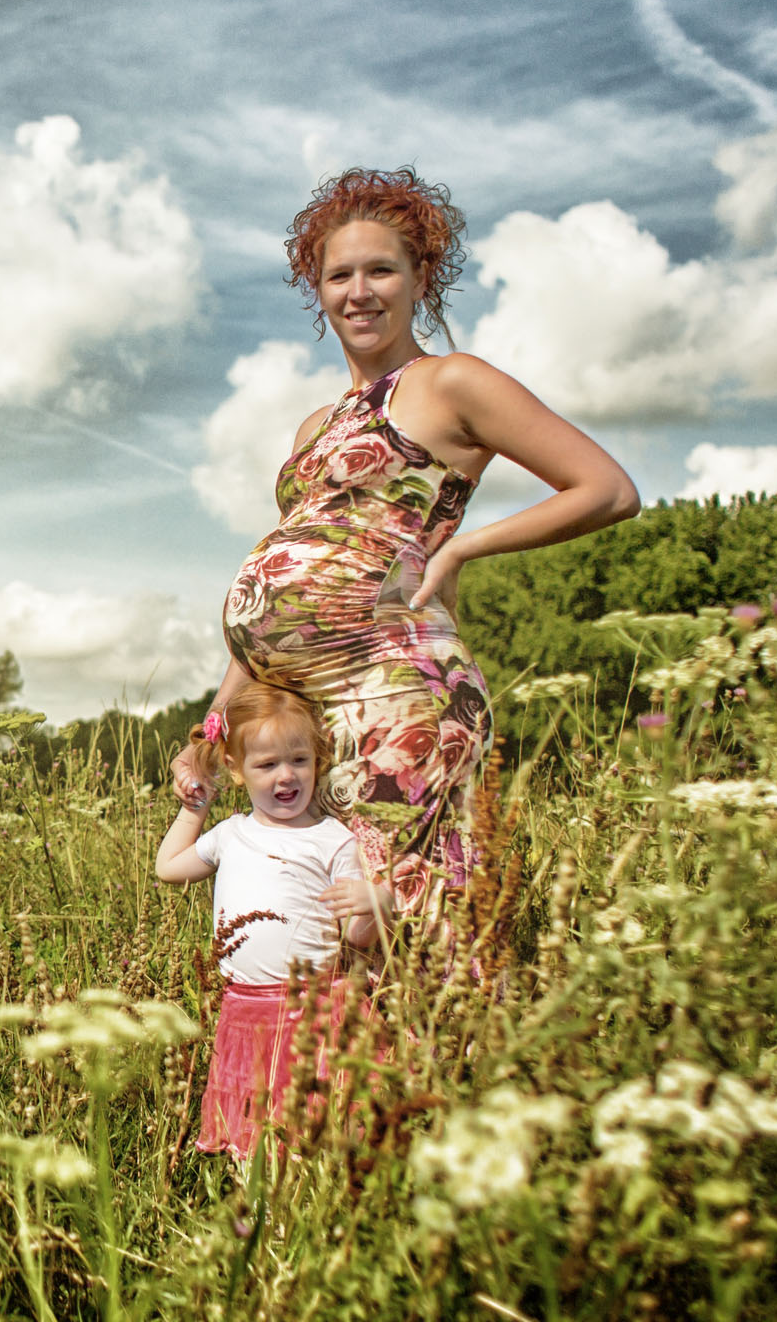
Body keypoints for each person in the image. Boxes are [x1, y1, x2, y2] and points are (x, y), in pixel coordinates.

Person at [172, 167, 640, 922]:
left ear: (420, 278)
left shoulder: (452, 382)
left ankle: (455, 1042)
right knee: (325, 926)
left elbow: (607, 490)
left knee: (394, 922)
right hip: (312, 713)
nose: (360, 292)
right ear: (317, 292)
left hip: (398, 696)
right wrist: (214, 729)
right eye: (339, 275)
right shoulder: (315, 427)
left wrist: (460, 551)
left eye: (381, 270)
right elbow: (275, 597)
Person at [156, 682, 384, 1158]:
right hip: (247, 1011)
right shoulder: (230, 835)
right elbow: (168, 868)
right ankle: (268, 1219)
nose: (286, 775)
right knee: (258, 1137)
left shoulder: (332, 839)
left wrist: (374, 903)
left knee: (323, 1130)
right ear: (237, 771)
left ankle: (320, 1210)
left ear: (316, 762)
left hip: (319, 1006)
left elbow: (354, 939)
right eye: (267, 765)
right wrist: (193, 808)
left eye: (299, 760)